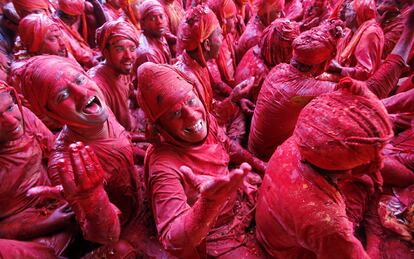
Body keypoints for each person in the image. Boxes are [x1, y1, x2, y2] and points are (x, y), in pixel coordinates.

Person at [18, 55, 168, 258]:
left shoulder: (98, 110)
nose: (81, 94)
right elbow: (106, 236)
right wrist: (92, 199)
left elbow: (125, 145)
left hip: (144, 199)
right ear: (50, 112)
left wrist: (155, 147)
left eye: (79, 80)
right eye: (63, 95)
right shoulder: (66, 163)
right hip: (126, 230)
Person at [137, 62, 266, 258]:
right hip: (213, 234)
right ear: (160, 128)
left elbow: (227, 145)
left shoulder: (206, 120)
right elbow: (172, 238)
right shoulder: (163, 166)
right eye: (175, 113)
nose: (191, 117)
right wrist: (208, 204)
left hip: (234, 200)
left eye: (190, 101)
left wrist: (259, 164)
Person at [255, 82, 393, 258]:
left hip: (276, 232)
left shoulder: (301, 143)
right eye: (374, 157)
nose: (379, 163)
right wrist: (375, 232)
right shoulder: (326, 221)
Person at [248, 20, 343, 161]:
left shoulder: (278, 69)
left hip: (254, 147)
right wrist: (343, 71)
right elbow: (363, 89)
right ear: (324, 64)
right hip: (269, 158)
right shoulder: (309, 89)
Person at [0, 82, 74, 258]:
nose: (11, 121)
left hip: (56, 201)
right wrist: (44, 223)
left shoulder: (25, 117)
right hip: (21, 232)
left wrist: (66, 191)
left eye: (10, 107)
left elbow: (56, 154)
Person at [88, 20, 139, 131]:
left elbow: (131, 93)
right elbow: (106, 132)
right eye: (119, 49)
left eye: (132, 49)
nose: (128, 56)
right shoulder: (96, 87)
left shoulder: (122, 69)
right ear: (105, 52)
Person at [234, 18, 300, 103]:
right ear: (282, 50)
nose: (292, 54)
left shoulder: (255, 50)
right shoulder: (265, 75)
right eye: (290, 49)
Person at [327, 0, 384, 81]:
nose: (343, 14)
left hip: (359, 85)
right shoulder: (351, 30)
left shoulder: (370, 33)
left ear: (357, 14)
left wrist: (339, 69)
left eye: (348, 10)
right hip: (346, 77)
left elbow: (366, 72)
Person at [135, 0, 172, 67]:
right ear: (142, 24)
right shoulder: (147, 54)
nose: (159, 22)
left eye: (161, 16)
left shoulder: (158, 35)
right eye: (153, 18)